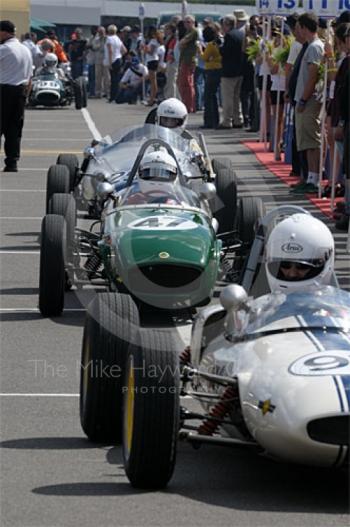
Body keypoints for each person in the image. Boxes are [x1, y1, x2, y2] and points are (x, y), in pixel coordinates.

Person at [294, 12, 324, 194]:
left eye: (299, 27)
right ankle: (311, 177)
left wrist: (304, 99)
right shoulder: (313, 46)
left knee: (311, 140)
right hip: (307, 98)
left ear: (305, 28)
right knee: (307, 141)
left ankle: (314, 178)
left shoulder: (314, 47)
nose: (298, 31)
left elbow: (313, 76)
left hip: (310, 100)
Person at [265, 213, 335, 292]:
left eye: (302, 266)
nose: (292, 274)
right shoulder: (261, 304)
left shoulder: (339, 304)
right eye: (284, 265)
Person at [0, 20, 33, 172]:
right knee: (14, 129)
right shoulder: (25, 50)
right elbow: (30, 76)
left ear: (4, 33)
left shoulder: (4, 49)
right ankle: (12, 162)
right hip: (20, 91)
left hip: (3, 90)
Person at [218, 15, 245, 129]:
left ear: (227, 24)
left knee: (228, 97)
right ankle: (238, 119)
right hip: (239, 70)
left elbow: (225, 52)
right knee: (236, 97)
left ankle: (227, 121)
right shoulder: (240, 34)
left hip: (229, 71)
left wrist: (219, 46)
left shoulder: (229, 36)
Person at [199, 24, 222, 129]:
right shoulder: (218, 43)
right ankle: (215, 120)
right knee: (214, 96)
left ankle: (209, 120)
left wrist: (199, 50)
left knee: (209, 96)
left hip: (211, 70)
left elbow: (204, 58)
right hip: (219, 68)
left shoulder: (210, 45)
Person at [177, 15, 198, 113]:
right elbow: (180, 44)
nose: (187, 24)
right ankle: (186, 104)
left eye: (189, 22)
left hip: (189, 60)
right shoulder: (187, 32)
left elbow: (182, 43)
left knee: (188, 84)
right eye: (185, 22)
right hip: (184, 59)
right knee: (183, 83)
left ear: (193, 23)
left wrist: (182, 43)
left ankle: (190, 106)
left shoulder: (194, 32)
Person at [104, 24, 126, 102]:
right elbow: (124, 50)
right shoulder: (118, 39)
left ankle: (112, 97)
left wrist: (110, 63)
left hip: (112, 60)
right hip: (118, 59)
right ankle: (116, 96)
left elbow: (110, 51)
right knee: (116, 79)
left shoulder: (109, 39)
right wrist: (119, 55)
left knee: (113, 80)